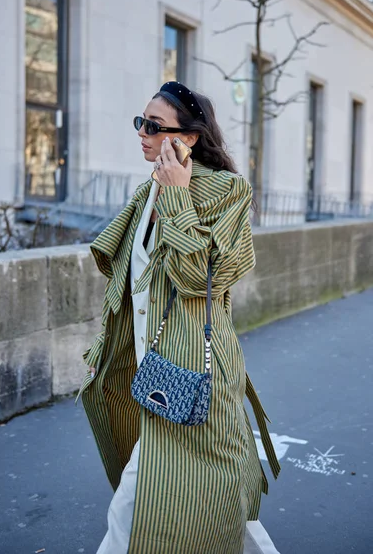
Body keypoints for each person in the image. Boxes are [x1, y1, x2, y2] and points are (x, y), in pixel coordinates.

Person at [76, 81, 281, 554]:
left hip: (194, 376)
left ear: (188, 138)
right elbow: (128, 284)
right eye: (140, 122)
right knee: (204, 503)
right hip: (149, 375)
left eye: (154, 125)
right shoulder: (145, 191)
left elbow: (198, 279)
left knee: (142, 508)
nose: (142, 133)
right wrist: (102, 350)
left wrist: (176, 197)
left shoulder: (227, 191)